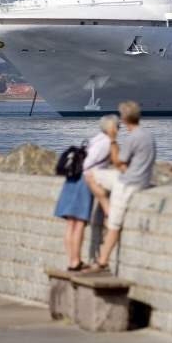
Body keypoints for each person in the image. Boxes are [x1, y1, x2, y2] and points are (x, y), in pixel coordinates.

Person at [83, 100, 156, 274]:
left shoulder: (133, 137)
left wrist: (113, 140)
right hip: (142, 179)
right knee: (96, 175)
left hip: (128, 183)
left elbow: (117, 161)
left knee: (114, 223)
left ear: (123, 118)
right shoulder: (148, 134)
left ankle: (102, 262)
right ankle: (105, 204)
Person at [53, 114, 118, 271]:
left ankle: (72, 261)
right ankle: (75, 262)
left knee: (70, 223)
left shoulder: (94, 139)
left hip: (72, 178)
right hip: (85, 180)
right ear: (112, 128)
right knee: (80, 223)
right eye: (117, 126)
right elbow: (117, 161)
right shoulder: (108, 142)